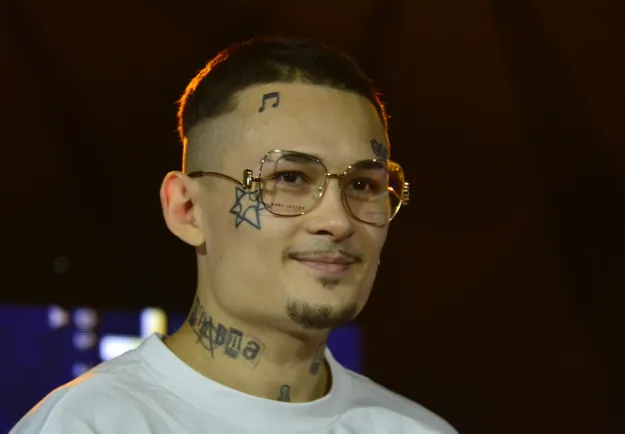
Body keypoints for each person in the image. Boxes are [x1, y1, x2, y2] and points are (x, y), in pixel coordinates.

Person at [12, 36, 457, 433]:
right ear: (186, 209)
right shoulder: (89, 424)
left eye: (362, 185)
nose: (338, 221)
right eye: (289, 178)